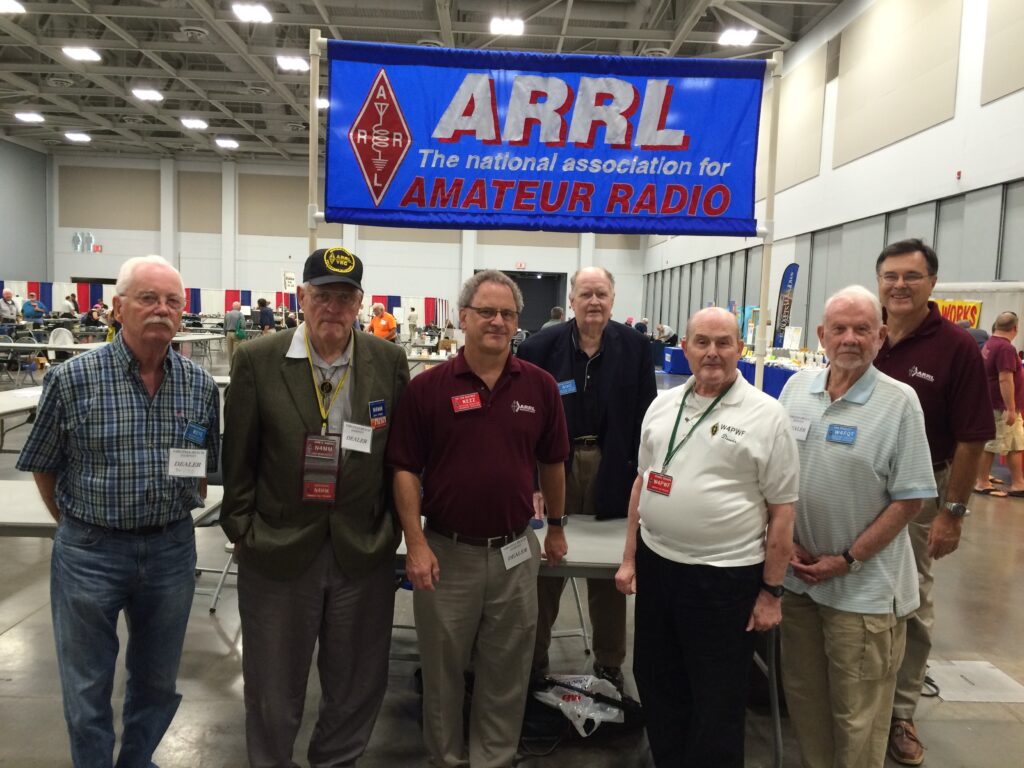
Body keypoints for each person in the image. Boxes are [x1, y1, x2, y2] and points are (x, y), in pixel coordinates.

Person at [16, 254, 220, 768]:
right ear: (117, 308)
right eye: (148, 298)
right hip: (90, 550)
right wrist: (75, 528)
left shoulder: (198, 385)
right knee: (87, 686)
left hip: (171, 549)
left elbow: (202, 465)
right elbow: (44, 464)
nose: (162, 309)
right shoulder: (73, 379)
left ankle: (136, 761)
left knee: (156, 680)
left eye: (173, 301)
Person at [220, 246, 410, 768]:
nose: (333, 307)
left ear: (361, 304)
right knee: (272, 686)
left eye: (345, 297)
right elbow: (237, 455)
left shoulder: (388, 361)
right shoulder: (258, 359)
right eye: (322, 295)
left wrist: (391, 528)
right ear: (302, 298)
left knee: (356, 683)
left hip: (362, 548)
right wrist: (241, 527)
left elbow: (400, 455)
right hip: (277, 549)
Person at [386, 270, 569, 768]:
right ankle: (445, 758)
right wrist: (416, 542)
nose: (497, 321)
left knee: (507, 668)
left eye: (507, 314)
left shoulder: (540, 386)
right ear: (463, 317)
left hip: (515, 551)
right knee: (443, 670)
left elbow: (553, 461)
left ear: (517, 323)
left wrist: (555, 525)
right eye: (486, 312)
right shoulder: (429, 389)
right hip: (446, 552)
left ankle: (494, 757)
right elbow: (403, 467)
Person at [614, 306, 798, 768]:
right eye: (702, 342)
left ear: (740, 348)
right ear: (685, 348)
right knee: (656, 680)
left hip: (725, 578)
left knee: (716, 696)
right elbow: (643, 482)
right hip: (659, 567)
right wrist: (630, 558)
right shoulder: (662, 405)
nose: (712, 352)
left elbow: (782, 512)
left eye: (723, 342)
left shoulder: (767, 415)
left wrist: (772, 592)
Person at [778, 285, 936, 768]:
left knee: (858, 716)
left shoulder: (899, 402)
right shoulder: (794, 390)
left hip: (862, 592)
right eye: (840, 329)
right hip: (799, 582)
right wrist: (785, 546)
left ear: (881, 336)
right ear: (822, 336)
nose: (850, 338)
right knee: (805, 701)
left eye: (862, 329)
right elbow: (776, 476)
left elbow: (910, 498)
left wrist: (847, 559)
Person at [872, 238, 993, 765]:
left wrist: (954, 512)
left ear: (932, 283)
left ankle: (900, 714)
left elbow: (972, 438)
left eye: (911, 276)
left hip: (919, 494)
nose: (900, 285)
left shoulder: (957, 348)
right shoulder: (862, 331)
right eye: (891, 276)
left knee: (911, 600)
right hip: (850, 487)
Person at [518, 266, 657, 689]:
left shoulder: (635, 347)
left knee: (611, 570)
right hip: (553, 466)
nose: (594, 301)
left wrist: (642, 478)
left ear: (613, 300)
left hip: (614, 465)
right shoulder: (539, 347)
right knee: (544, 566)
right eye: (586, 294)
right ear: (572, 300)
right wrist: (532, 482)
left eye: (602, 294)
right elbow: (520, 421)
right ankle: (533, 660)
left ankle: (610, 664)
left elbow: (647, 416)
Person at [974, 311, 1024, 496]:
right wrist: (1010, 408)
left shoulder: (990, 344)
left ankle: (1018, 483)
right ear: (1015, 328)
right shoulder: (1005, 348)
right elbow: (1005, 379)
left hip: (996, 404)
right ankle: (982, 482)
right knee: (992, 445)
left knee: (1015, 444)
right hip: (1001, 407)